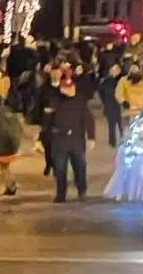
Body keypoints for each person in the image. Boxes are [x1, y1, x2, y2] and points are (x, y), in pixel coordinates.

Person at [50, 70, 96, 203]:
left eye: (71, 88)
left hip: (77, 139)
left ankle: (82, 191)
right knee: (60, 169)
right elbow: (48, 121)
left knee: (80, 166)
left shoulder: (80, 101)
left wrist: (91, 137)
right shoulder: (55, 101)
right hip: (60, 140)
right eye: (66, 88)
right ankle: (61, 194)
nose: (69, 90)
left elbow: (89, 120)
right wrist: (42, 139)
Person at [0, 93, 22, 196]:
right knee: (5, 167)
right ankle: (10, 185)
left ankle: (11, 186)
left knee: (4, 167)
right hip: (12, 145)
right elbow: (18, 127)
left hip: (4, 146)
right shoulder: (9, 112)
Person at [98, 64, 123, 149]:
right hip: (112, 105)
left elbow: (100, 91)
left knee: (118, 124)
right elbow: (100, 91)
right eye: (113, 70)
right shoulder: (109, 81)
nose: (114, 72)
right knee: (114, 125)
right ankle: (114, 141)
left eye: (115, 70)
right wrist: (104, 100)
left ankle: (117, 141)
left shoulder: (120, 80)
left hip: (115, 105)